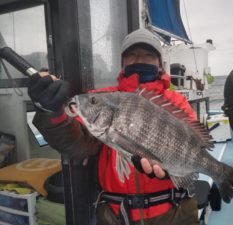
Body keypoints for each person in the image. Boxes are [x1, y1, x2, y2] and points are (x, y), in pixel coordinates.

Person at [28, 28, 199, 225]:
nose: (139, 60)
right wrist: (50, 110)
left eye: (149, 55)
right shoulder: (101, 99)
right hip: (115, 215)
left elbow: (191, 146)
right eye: (132, 55)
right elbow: (77, 143)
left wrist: (174, 167)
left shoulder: (176, 102)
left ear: (160, 64)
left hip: (173, 212)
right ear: (122, 62)